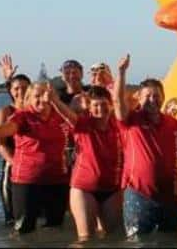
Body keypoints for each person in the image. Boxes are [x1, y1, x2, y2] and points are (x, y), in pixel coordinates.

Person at [113, 54, 177, 237]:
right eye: (148, 96)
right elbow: (118, 103)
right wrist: (121, 73)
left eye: (156, 95)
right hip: (138, 195)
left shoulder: (173, 123)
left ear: (163, 98)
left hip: (170, 197)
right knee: (139, 242)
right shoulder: (131, 121)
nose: (153, 99)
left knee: (170, 242)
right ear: (139, 98)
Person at [0, 81, 76, 233]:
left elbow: (76, 123)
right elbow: (10, 128)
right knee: (24, 228)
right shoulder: (23, 116)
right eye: (36, 96)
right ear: (28, 98)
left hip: (57, 179)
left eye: (46, 95)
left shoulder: (59, 115)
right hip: (27, 180)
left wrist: (56, 101)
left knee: (55, 227)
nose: (42, 99)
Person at [66, 85, 124, 240]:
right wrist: (53, 101)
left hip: (112, 189)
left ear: (111, 105)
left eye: (104, 104)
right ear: (89, 108)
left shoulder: (118, 126)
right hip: (84, 189)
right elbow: (66, 115)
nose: (101, 109)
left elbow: (124, 103)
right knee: (86, 239)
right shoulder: (82, 124)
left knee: (114, 238)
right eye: (96, 105)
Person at [0, 54, 31, 226]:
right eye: (16, 88)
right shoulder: (5, 112)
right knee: (13, 220)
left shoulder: (37, 111)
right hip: (13, 168)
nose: (20, 91)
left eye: (24, 87)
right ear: (10, 90)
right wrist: (14, 162)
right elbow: (0, 144)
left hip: (36, 169)